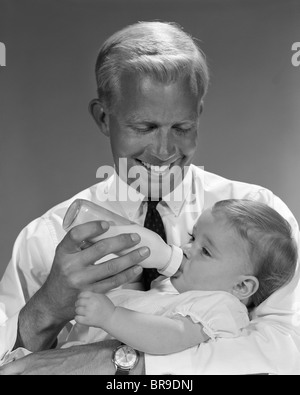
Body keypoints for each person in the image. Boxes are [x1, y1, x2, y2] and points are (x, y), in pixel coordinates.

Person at [0, 21, 299, 375]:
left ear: (199, 115)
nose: (164, 150)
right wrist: (48, 307)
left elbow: (287, 351)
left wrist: (121, 364)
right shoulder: (47, 237)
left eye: (182, 128)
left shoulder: (258, 217)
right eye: (144, 128)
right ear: (102, 118)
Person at [74, 199, 298, 355]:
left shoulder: (223, 307)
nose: (186, 248)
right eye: (193, 237)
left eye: (206, 251)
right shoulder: (181, 291)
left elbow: (169, 337)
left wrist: (110, 316)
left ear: (241, 286)